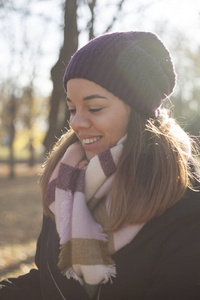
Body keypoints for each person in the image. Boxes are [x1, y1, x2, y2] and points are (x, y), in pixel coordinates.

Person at [0, 31, 200, 300]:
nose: (77, 123)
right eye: (72, 109)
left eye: (93, 108)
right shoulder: (64, 183)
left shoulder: (185, 203)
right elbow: (51, 283)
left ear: (136, 111)